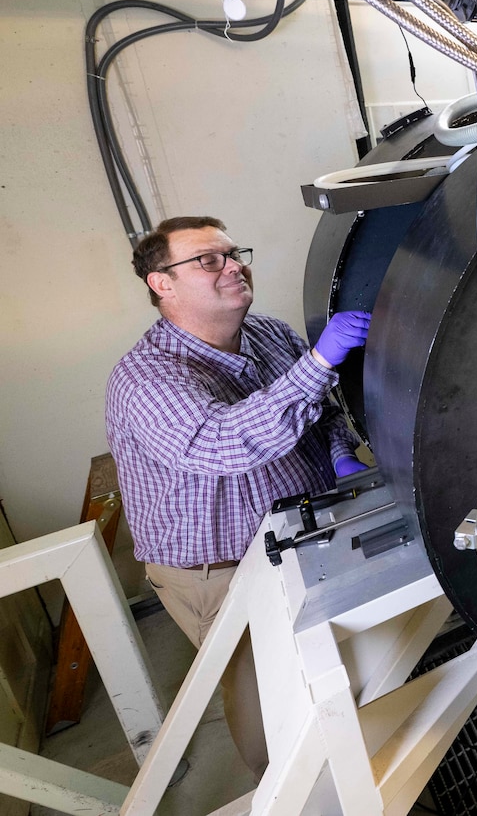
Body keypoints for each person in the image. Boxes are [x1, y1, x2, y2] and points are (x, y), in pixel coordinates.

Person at [105, 215, 372, 779]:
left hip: (308, 533)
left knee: (337, 669)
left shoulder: (271, 334)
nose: (233, 266)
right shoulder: (145, 378)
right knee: (268, 705)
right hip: (220, 570)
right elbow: (224, 442)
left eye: (234, 253)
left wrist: (341, 451)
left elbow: (321, 412)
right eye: (209, 260)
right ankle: (291, 794)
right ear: (162, 283)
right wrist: (320, 364)